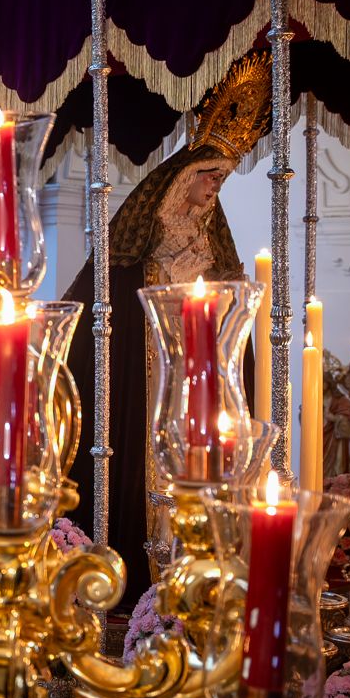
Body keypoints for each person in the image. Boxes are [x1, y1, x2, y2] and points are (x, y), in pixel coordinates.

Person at [61, 49, 269, 586]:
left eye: (221, 180)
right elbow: (95, 323)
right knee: (138, 468)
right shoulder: (132, 255)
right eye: (207, 175)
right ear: (180, 178)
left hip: (201, 395)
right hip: (145, 394)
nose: (212, 188)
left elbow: (234, 337)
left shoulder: (217, 255)